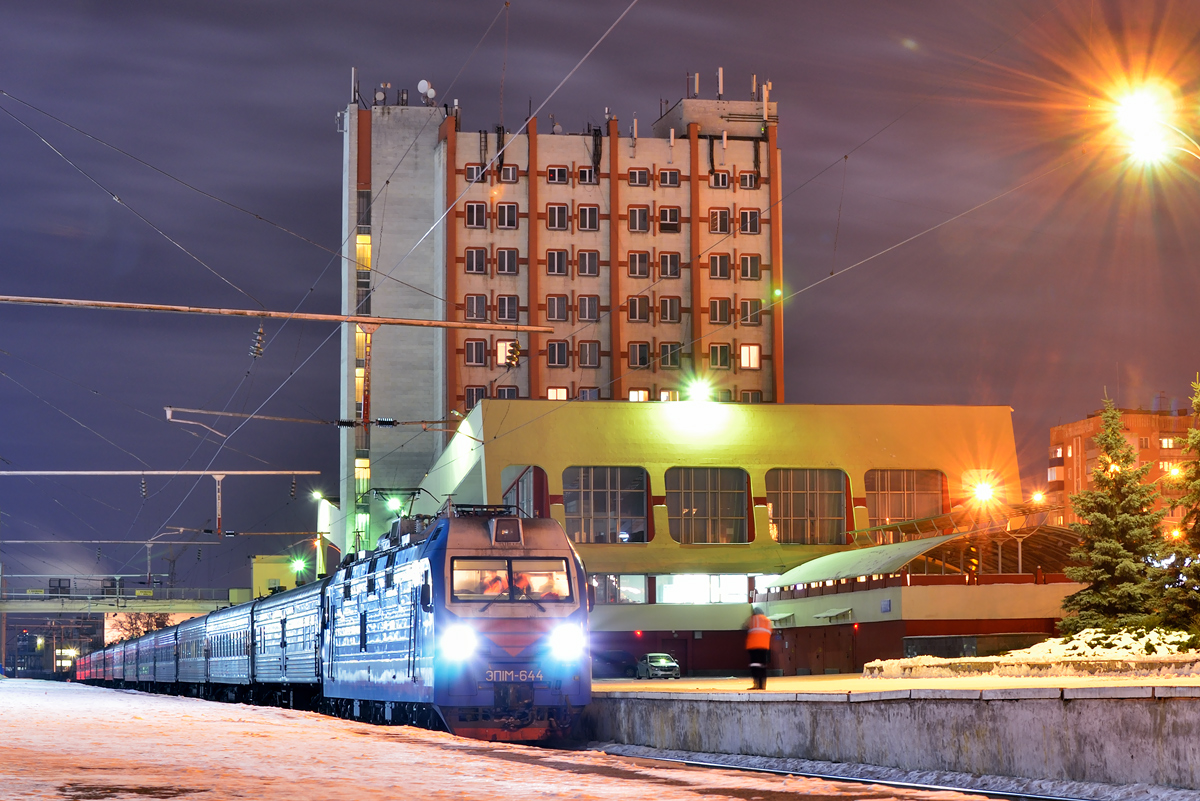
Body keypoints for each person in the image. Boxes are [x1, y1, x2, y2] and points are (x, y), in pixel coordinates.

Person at [744, 606, 773, 690]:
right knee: (762, 666)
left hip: (753, 646)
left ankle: (756, 684)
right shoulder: (768, 621)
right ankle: (762, 685)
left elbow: (744, 627)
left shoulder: (753, 619)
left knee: (754, 665)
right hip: (764, 646)